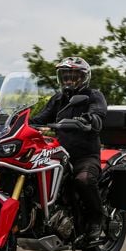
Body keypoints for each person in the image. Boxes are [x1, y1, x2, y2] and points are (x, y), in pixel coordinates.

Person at [30, 57, 108, 238]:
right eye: (65, 76)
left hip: (84, 156)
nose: (69, 80)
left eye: (74, 76)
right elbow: (39, 119)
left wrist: (89, 119)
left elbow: (98, 114)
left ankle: (97, 218)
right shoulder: (58, 99)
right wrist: (17, 122)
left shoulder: (93, 96)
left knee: (83, 180)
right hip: (58, 154)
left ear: (84, 78)